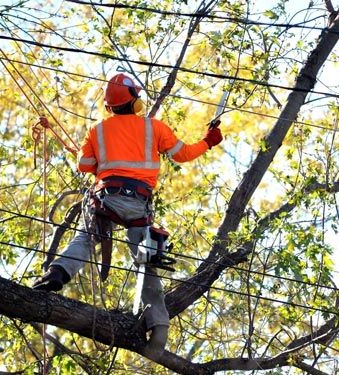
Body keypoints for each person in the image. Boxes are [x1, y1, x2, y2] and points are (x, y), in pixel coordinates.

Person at [33, 73, 223, 359]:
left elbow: (84, 166)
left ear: (109, 106)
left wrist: (99, 158)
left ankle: (57, 274)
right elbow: (182, 154)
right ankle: (158, 327)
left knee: (85, 239)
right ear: (135, 101)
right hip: (138, 204)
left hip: (106, 199)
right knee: (145, 260)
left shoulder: (97, 131)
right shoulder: (154, 128)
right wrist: (208, 140)